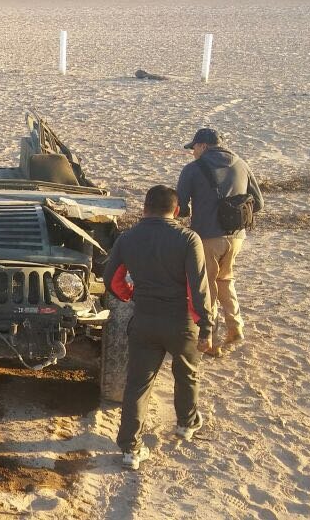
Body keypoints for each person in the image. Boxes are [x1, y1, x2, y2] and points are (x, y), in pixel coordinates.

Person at [103, 185, 213, 471]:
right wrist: (206, 325)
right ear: (176, 211)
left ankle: (130, 448)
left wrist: (131, 296)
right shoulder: (188, 238)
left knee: (138, 384)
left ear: (144, 208)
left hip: (145, 320)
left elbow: (112, 280)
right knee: (186, 372)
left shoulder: (127, 239)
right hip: (181, 323)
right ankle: (186, 424)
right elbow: (198, 287)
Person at [176, 127, 264, 352]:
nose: (192, 152)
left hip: (207, 237)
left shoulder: (193, 169)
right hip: (236, 236)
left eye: (194, 147)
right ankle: (235, 327)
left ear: (203, 146)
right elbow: (259, 204)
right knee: (225, 279)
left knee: (207, 286)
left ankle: (212, 340)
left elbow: (181, 208)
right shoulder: (242, 164)